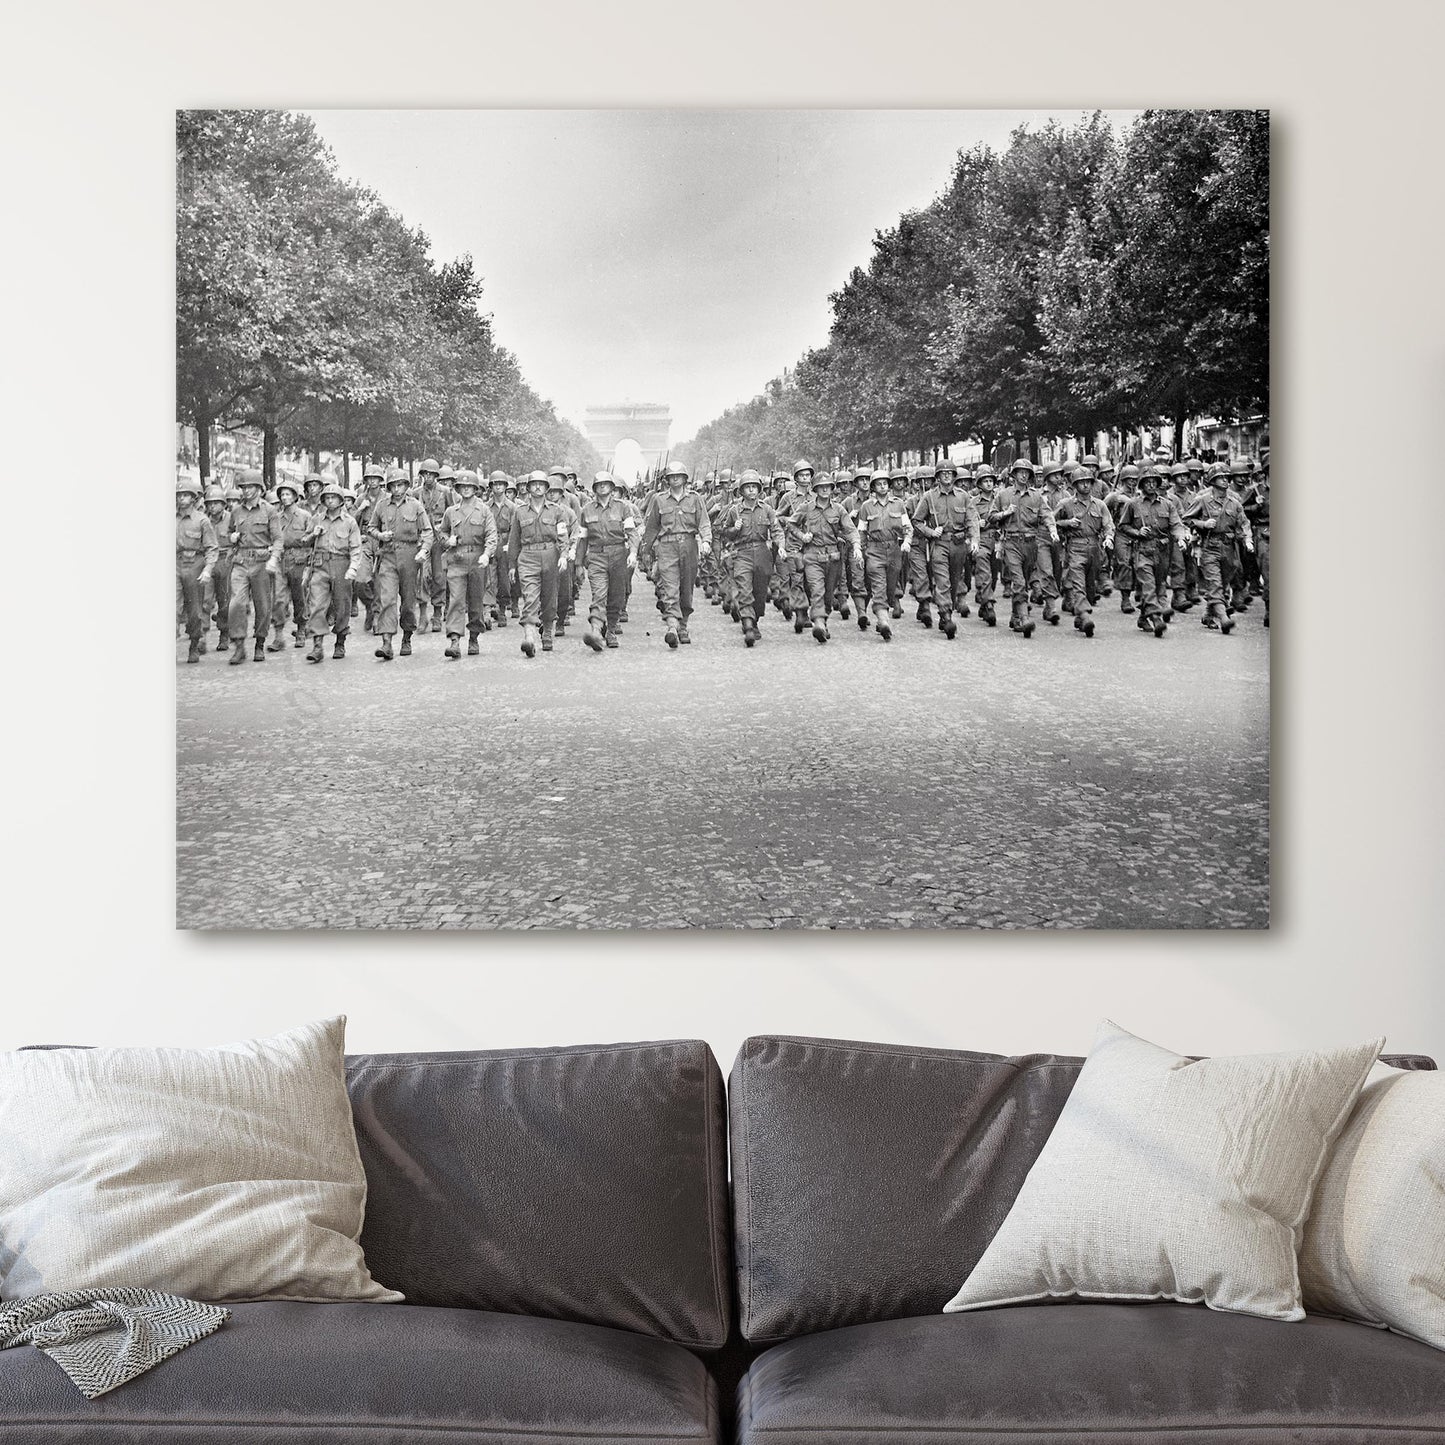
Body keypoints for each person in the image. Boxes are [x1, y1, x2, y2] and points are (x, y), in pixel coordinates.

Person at [640, 460, 712, 648]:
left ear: (685, 478)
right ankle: (672, 626)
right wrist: (644, 551)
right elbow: (652, 527)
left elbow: (704, 522)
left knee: (686, 589)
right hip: (667, 546)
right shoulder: (659, 499)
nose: (675, 479)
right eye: (672, 477)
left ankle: (683, 626)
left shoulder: (695, 499)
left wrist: (706, 541)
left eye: (678, 476)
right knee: (669, 587)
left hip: (689, 545)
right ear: (667, 480)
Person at [367, 467, 433, 660]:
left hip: (410, 556)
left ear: (406, 486)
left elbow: (427, 531)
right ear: (388, 487)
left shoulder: (415, 506)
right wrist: (380, 534)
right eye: (393, 485)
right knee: (387, 599)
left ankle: (407, 636)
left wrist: (423, 550)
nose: (397, 489)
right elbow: (370, 527)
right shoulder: (381, 505)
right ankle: (386, 642)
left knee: (408, 601)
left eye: (400, 485)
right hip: (387, 555)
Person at [507, 469, 576, 657]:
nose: (537, 487)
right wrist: (512, 565)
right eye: (534, 484)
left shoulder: (557, 511)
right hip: (528, 556)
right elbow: (514, 540)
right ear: (528, 488)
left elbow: (563, 536)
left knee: (549, 597)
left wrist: (563, 555)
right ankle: (529, 636)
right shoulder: (520, 512)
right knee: (530, 596)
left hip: (550, 555)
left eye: (541, 484)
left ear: (546, 488)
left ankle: (547, 631)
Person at [788, 469, 860, 643]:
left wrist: (856, 546)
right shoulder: (806, 508)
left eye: (828, 487)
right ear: (815, 489)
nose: (825, 490)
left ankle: (823, 620)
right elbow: (791, 524)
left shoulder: (839, 509)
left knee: (828, 594)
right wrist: (802, 536)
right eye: (821, 487)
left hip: (833, 558)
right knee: (817, 590)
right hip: (812, 556)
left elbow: (850, 530)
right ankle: (818, 622)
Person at [1182, 461, 1254, 634]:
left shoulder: (1234, 501)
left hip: (1230, 548)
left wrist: (1248, 539)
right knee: (1214, 584)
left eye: (1226, 477)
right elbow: (1186, 519)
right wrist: (1203, 523)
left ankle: (1208, 614)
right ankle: (1223, 618)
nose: (1225, 480)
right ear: (1212, 481)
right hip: (1210, 547)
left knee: (1222, 583)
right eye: (1220, 478)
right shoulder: (1203, 500)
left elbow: (1243, 523)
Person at [991, 457, 1058, 638]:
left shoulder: (1036, 496)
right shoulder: (1003, 495)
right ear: (1013, 475)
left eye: (1026, 472)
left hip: (1031, 544)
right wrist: (1006, 513)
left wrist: (1052, 530)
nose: (1023, 475)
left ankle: (1014, 616)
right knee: (1019, 582)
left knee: (1026, 581)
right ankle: (1024, 617)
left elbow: (1047, 515)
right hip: (1011, 542)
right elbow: (992, 517)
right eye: (1020, 472)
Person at [1119, 467, 1189, 637]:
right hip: (1142, 550)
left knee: (1158, 585)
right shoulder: (1133, 504)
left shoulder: (1167, 504)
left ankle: (1143, 617)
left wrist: (1180, 538)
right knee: (1148, 585)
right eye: (1147, 482)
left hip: (1162, 550)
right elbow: (1123, 526)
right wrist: (1137, 533)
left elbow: (1176, 524)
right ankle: (1157, 618)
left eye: (1154, 481)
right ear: (1141, 484)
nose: (1151, 485)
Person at [717, 469, 784, 646]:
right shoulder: (734, 511)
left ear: (759, 489)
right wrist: (734, 529)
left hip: (763, 553)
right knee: (744, 589)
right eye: (748, 488)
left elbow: (776, 530)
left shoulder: (767, 509)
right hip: (742, 553)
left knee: (760, 592)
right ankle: (747, 623)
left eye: (754, 487)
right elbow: (724, 533)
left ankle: (755, 620)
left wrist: (781, 546)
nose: (751, 490)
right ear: (742, 491)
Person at [912, 460, 978, 640]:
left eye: (950, 473)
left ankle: (946, 610)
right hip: (939, 543)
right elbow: (916, 521)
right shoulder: (929, 497)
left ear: (954, 476)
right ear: (938, 477)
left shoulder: (963, 496)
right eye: (943, 473)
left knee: (956, 581)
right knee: (943, 581)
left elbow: (972, 520)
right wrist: (931, 532)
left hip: (959, 544)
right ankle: (946, 615)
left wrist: (974, 541)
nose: (947, 475)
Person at [225, 468, 283, 664]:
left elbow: (277, 539)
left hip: (261, 563)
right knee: (236, 603)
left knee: (263, 606)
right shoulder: (235, 511)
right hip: (240, 562)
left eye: (250, 487)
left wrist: (274, 559)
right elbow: (230, 533)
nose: (246, 491)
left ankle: (259, 642)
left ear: (259, 488)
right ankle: (239, 646)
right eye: (243, 487)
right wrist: (232, 537)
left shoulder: (269, 510)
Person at [438, 469, 498, 659]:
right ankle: (454, 640)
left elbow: (491, 535)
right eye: (462, 487)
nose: (466, 490)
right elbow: (442, 533)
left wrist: (487, 554)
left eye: (469, 487)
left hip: (477, 560)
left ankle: (474, 636)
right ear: (458, 489)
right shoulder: (451, 511)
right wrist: (448, 541)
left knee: (475, 601)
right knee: (456, 599)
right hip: (457, 560)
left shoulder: (484, 510)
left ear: (475, 489)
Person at [577, 471, 637, 650]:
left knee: (616, 596)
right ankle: (595, 631)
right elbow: (583, 538)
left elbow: (632, 532)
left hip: (619, 554)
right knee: (599, 594)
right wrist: (579, 564)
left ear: (612, 488)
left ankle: (610, 630)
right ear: (594, 488)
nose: (602, 486)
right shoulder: (586, 509)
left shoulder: (623, 507)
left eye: (606, 484)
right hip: (596, 556)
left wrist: (633, 552)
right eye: (599, 484)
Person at [304, 479, 362, 661]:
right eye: (327, 498)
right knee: (317, 605)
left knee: (342, 606)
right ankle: (317, 646)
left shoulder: (350, 522)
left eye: (333, 498)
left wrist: (353, 568)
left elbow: (356, 548)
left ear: (340, 501)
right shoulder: (316, 519)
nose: (330, 501)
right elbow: (304, 540)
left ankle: (340, 641)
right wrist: (313, 534)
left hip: (341, 565)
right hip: (320, 565)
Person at [1054, 467, 1115, 638]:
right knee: (1078, 584)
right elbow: (1050, 520)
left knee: (1090, 587)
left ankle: (1080, 616)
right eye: (1082, 483)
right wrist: (1066, 523)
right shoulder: (1066, 504)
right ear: (1075, 485)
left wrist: (1109, 537)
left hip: (1095, 548)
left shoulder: (1100, 504)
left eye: (1088, 482)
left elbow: (1108, 524)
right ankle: (1085, 615)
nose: (1086, 485)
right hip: (1075, 547)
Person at [855, 470, 913, 640]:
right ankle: (884, 620)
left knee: (890, 587)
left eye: (885, 483)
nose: (882, 486)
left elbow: (907, 527)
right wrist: (859, 549)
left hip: (894, 549)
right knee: (878, 586)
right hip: (874, 550)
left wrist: (907, 541)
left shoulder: (898, 504)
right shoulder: (866, 506)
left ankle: (882, 619)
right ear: (873, 487)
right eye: (879, 483)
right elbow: (861, 531)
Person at [176, 478, 217, 664]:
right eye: (179, 495)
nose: (181, 498)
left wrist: (208, 569)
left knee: (194, 611)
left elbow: (211, 548)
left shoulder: (202, 520)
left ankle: (194, 644)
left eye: (185, 495)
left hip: (195, 565)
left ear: (193, 498)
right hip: (174, 565)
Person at [271, 479, 314, 651]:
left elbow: (312, 541)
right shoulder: (276, 517)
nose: (284, 497)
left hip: (299, 560)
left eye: (288, 494)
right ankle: (278, 635)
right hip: (281, 560)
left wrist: (309, 565)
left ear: (295, 496)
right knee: (279, 599)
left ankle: (302, 630)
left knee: (300, 598)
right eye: (282, 494)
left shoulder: (305, 516)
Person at [415, 458, 454, 633]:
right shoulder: (416, 493)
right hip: (423, 539)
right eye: (425, 474)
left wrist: (448, 533)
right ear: (422, 475)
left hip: (439, 541)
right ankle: (423, 615)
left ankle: (437, 614)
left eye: (431, 474)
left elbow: (453, 513)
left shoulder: (445, 492)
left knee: (439, 577)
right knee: (422, 577)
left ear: (436, 476)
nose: (428, 477)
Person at [200, 483, 234, 653]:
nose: (212, 506)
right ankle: (202, 636)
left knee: (225, 601)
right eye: (210, 503)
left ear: (223, 504)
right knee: (204, 600)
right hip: (207, 562)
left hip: (226, 560)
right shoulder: (202, 520)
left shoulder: (231, 518)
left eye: (216, 503)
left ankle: (224, 633)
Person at [484, 471, 515, 627]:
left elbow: (515, 530)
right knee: (489, 578)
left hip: (505, 544)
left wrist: (511, 546)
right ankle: (488, 611)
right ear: (491, 487)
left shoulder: (511, 507)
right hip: (490, 544)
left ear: (505, 486)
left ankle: (502, 610)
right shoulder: (485, 507)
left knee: (504, 580)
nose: (498, 487)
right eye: (495, 484)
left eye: (501, 484)